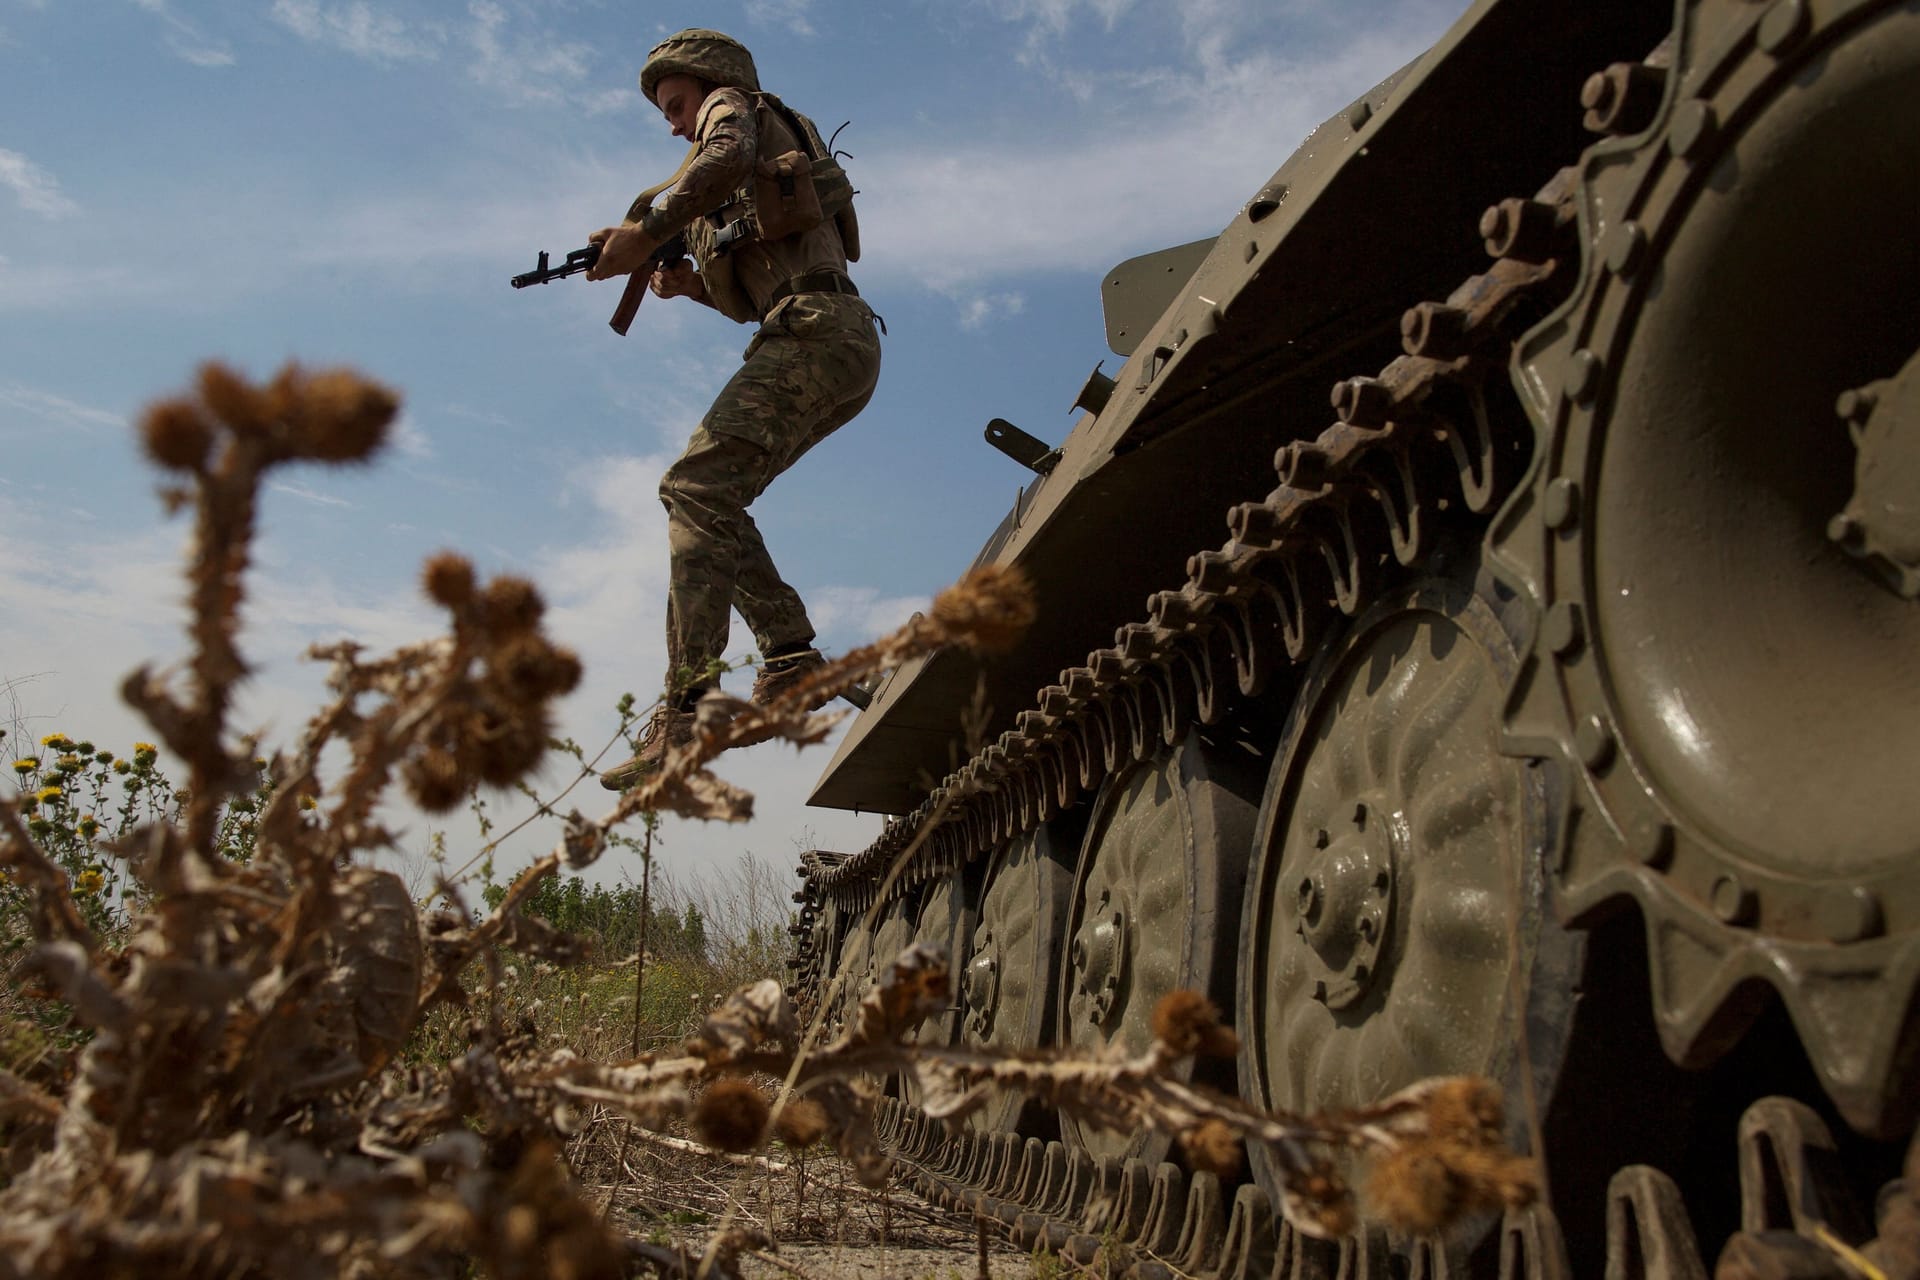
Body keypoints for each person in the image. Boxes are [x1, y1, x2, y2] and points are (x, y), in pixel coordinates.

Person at [585, 29, 882, 790]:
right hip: (825, 336)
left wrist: (647, 229)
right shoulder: (746, 138)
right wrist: (686, 281)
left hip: (818, 331)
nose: (675, 124)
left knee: (693, 488)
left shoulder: (733, 108)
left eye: (675, 105)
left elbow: (720, 161)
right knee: (709, 498)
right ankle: (787, 659)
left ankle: (689, 712)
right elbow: (766, 280)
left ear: (709, 83)